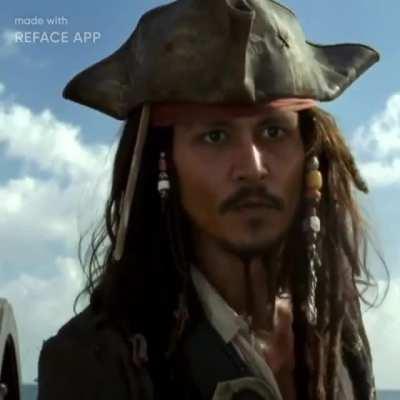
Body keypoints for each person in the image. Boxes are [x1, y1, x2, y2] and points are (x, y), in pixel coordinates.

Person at [37, 0, 383, 399]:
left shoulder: (335, 330)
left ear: (309, 154)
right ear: (164, 164)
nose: (252, 167)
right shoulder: (96, 360)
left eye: (273, 132)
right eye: (215, 136)